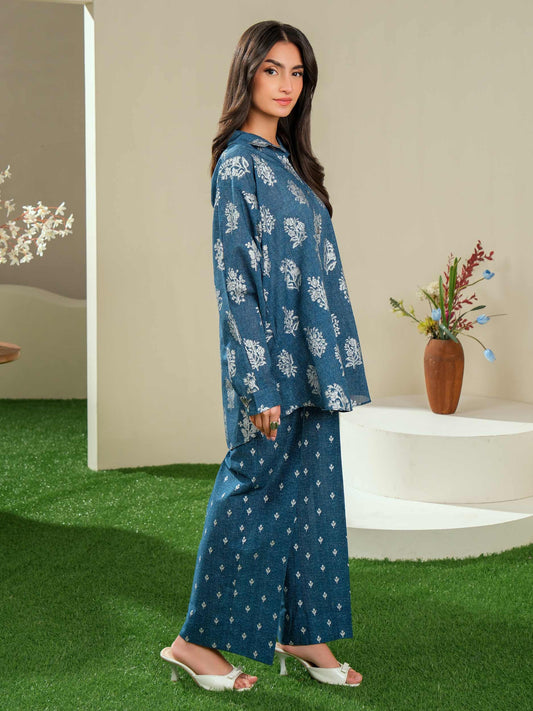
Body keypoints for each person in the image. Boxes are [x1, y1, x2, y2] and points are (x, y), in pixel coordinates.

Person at [160, 19, 371, 692]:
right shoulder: (239, 165)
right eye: (272, 69)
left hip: (312, 364)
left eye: (296, 72)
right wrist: (257, 382)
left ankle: (302, 631)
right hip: (269, 368)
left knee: (310, 496)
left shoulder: (289, 163)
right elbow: (236, 282)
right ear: (247, 74)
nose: (285, 84)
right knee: (250, 491)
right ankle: (193, 642)